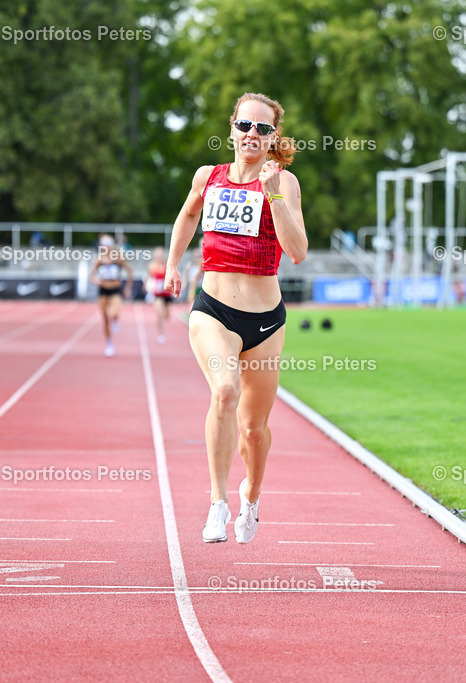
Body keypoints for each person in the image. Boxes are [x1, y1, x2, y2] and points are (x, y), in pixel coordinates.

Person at [164, 92, 307, 544]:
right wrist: (172, 265)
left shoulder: (286, 183)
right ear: (231, 129)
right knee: (223, 391)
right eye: (246, 125)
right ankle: (217, 503)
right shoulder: (208, 177)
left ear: (273, 138)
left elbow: (298, 252)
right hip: (213, 310)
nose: (252, 134)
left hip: (265, 322)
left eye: (263, 129)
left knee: (252, 427)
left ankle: (252, 494)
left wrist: (273, 196)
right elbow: (187, 217)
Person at [89, 234, 134, 357]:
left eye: (107, 245)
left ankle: (115, 320)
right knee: (105, 319)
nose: (105, 248)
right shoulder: (99, 260)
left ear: (111, 246)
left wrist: (128, 288)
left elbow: (130, 271)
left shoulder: (117, 258)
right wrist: (96, 281)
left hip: (115, 289)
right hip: (103, 291)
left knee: (114, 313)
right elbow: (91, 277)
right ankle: (109, 343)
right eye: (103, 246)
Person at [145, 247, 174, 343]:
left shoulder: (168, 266)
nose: (159, 257)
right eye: (157, 256)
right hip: (157, 294)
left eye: (160, 255)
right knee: (160, 314)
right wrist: (147, 288)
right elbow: (148, 277)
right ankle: (161, 333)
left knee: (167, 315)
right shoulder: (152, 266)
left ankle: (161, 329)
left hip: (167, 293)